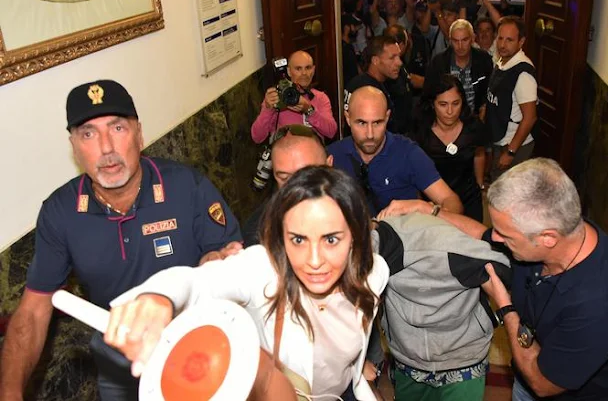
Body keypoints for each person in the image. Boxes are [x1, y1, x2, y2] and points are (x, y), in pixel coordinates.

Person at [0, 80, 242, 400]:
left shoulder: (187, 186)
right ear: (74, 147)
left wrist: (216, 264)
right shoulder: (60, 212)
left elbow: (225, 258)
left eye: (117, 128)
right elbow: (33, 311)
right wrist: (9, 392)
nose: (106, 148)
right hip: (119, 359)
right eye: (88, 134)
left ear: (139, 134)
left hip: (194, 343)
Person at [104, 166, 390, 400]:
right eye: (298, 239)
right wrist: (158, 297)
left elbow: (351, 363)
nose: (314, 261)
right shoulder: (264, 268)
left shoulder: (374, 274)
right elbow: (198, 282)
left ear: (355, 236)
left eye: (331, 239)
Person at [426, 158, 608, 401]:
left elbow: (543, 384)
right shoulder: (556, 236)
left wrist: (505, 306)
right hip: (526, 368)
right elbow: (481, 235)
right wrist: (431, 211)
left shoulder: (602, 303)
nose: (495, 238)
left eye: (505, 235)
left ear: (547, 238)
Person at [373, 211, 511, 401]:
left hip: (462, 360)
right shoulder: (364, 254)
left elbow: (507, 264)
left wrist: (502, 311)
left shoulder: (447, 249)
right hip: (407, 358)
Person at [329, 86, 463, 216]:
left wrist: (425, 209)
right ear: (348, 118)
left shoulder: (408, 153)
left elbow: (452, 202)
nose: (370, 134)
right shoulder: (331, 156)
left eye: (377, 123)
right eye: (362, 123)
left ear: (387, 117)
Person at [241, 124, 333, 248]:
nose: (296, 186)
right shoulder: (260, 234)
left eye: (306, 175)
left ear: (329, 166)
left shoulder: (351, 208)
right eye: (285, 178)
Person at [413, 75, 487, 222]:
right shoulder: (420, 132)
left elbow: (479, 154)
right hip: (434, 202)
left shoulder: (473, 127)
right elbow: (414, 171)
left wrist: (480, 185)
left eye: (455, 103)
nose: (450, 111)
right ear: (432, 104)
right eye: (443, 104)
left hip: (469, 198)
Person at [486, 16, 537, 181]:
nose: (502, 44)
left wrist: (510, 152)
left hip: (513, 145)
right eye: (500, 38)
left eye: (509, 40)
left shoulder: (523, 74)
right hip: (499, 139)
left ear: (521, 42)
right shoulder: (502, 61)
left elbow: (530, 118)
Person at [251, 51, 337, 144]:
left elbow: (331, 132)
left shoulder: (320, 98)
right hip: (285, 151)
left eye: (308, 68)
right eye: (298, 68)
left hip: (313, 150)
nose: (304, 73)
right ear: (289, 71)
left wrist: (309, 110)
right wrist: (268, 110)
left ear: (313, 70)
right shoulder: (276, 98)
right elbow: (257, 137)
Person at [426, 19, 493, 116]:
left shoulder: (484, 60)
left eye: (465, 40)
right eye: (455, 41)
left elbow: (490, 91)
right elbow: (428, 96)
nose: (460, 46)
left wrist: (484, 110)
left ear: (472, 39)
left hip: (475, 118)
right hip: (445, 117)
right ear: (450, 40)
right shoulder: (438, 63)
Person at [343, 36, 403, 133]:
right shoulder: (365, 90)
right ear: (375, 60)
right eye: (392, 58)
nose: (399, 63)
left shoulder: (365, 82)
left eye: (399, 56)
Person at [341, 14, 362, 86]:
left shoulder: (349, 47)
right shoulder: (345, 50)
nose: (356, 30)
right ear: (346, 28)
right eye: (354, 26)